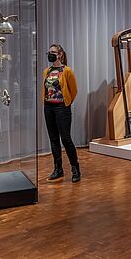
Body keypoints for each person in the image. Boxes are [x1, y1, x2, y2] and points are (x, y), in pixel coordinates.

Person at [43, 44, 81, 183]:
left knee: (65, 139)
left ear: (59, 54)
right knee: (53, 139)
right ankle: (58, 169)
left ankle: (75, 168)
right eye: (49, 52)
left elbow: (74, 90)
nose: (50, 54)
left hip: (62, 108)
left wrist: (66, 103)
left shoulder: (67, 71)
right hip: (48, 107)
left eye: (53, 52)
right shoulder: (46, 71)